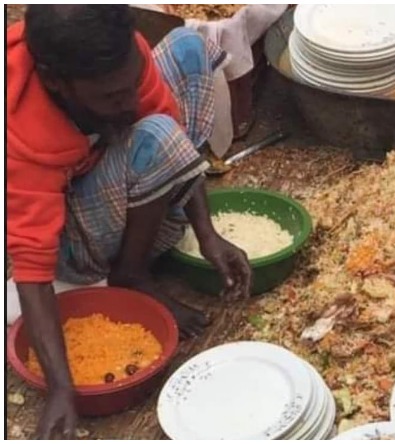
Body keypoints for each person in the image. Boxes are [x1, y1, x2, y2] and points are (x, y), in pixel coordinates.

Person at [6, 5, 252, 438]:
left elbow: (168, 126)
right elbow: (30, 266)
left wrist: (208, 233)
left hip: (108, 160)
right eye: (112, 96)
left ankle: (145, 223)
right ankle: (130, 274)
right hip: (72, 238)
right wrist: (62, 391)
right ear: (56, 82)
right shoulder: (21, 132)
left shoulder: (121, 59)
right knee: (154, 136)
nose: (131, 100)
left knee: (189, 46)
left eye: (131, 81)